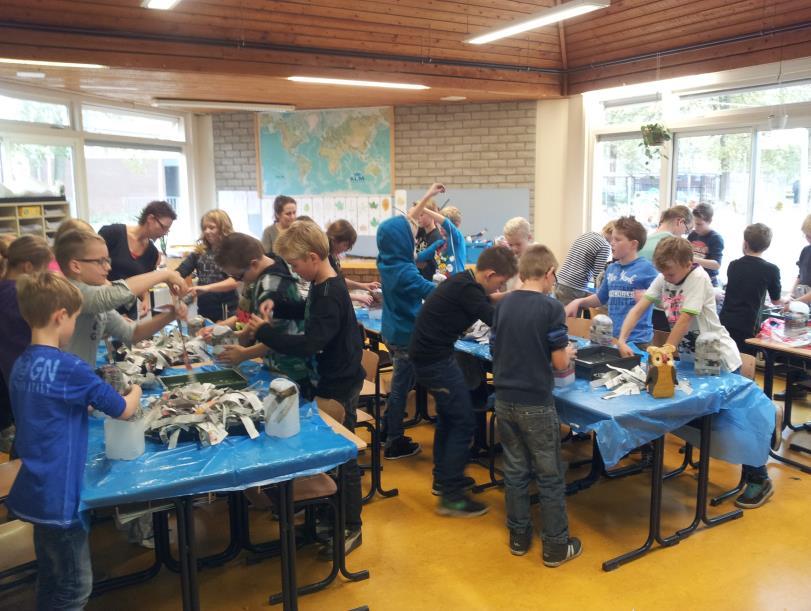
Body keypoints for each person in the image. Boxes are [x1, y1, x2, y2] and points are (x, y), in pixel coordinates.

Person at [6, 271, 141, 610]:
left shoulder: (21, 364)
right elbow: (122, 410)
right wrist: (136, 391)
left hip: (35, 488)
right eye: (75, 319)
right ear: (60, 316)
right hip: (60, 494)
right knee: (76, 588)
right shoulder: (70, 368)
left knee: (51, 577)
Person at [618, 238, 772, 508]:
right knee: (696, 413)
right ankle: (710, 448)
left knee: (737, 422)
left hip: (717, 357)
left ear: (688, 264)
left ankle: (759, 477)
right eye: (664, 273)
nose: (667, 278)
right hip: (691, 358)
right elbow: (640, 308)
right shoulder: (666, 276)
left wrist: (666, 349)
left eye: (671, 273)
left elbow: (685, 320)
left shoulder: (698, 278)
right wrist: (621, 338)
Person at [244, 220, 366, 557]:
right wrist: (279, 307)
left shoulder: (329, 291)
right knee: (331, 453)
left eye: (296, 265)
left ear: (313, 257)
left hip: (338, 385)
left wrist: (265, 333)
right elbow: (309, 312)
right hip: (332, 380)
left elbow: (311, 342)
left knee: (343, 456)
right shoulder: (324, 285)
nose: (294, 271)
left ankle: (350, 526)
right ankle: (329, 515)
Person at [409, 245, 518, 517]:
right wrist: (524, 312)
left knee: (449, 417)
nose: (499, 287)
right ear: (490, 274)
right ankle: (452, 496)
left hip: (431, 356)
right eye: (500, 282)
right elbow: (494, 318)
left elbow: (486, 300)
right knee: (463, 421)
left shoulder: (464, 282)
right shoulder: (467, 290)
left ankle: (445, 479)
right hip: (433, 360)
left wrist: (512, 296)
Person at [491, 244, 582, 566]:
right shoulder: (551, 307)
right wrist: (567, 354)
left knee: (515, 470)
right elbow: (559, 363)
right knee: (549, 474)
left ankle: (519, 536)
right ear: (548, 274)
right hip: (535, 402)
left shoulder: (503, 304)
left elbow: (495, 349)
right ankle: (557, 546)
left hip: (504, 400)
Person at [375, 183, 445, 460]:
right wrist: (460, 290)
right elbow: (430, 291)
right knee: (400, 392)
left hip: (391, 332)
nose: (414, 231)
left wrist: (427, 196)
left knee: (398, 388)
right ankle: (393, 440)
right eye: (410, 234)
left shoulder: (387, 261)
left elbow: (409, 232)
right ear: (403, 242)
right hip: (406, 336)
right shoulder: (405, 271)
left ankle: (385, 430)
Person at [55, 229, 188, 366]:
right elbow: (114, 294)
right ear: (76, 266)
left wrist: (171, 315)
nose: (108, 267)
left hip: (81, 378)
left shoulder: (96, 298)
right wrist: (164, 275)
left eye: (108, 260)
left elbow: (131, 334)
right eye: (101, 261)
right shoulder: (71, 292)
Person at [214, 233, 315, 397]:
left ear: (253, 264)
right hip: (278, 365)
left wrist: (244, 354)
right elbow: (259, 322)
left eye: (239, 276)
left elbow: (278, 336)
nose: (240, 281)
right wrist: (239, 335)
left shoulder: (270, 290)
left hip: (290, 370)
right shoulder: (272, 260)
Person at [564, 217, 658, 348]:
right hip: (614, 339)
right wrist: (578, 302)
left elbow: (665, 299)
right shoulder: (612, 268)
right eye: (612, 239)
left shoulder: (648, 269)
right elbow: (600, 298)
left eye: (618, 240)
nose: (612, 243)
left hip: (638, 341)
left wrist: (648, 297)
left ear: (633, 244)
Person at [0, 235, 52, 454]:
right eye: (44, 269)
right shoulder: (18, 295)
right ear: (28, 266)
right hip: (24, 379)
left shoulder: (5, 289)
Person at [99, 200, 176, 319]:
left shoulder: (152, 253)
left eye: (167, 230)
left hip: (129, 313)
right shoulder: (112, 234)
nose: (165, 233)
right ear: (150, 219)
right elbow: (93, 272)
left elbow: (143, 282)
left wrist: (145, 298)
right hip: (102, 309)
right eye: (163, 227)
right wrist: (114, 315)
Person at [719, 223, 782, 355]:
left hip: (726, 321)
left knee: (725, 360)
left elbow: (742, 288)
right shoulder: (771, 270)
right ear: (767, 246)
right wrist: (787, 300)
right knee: (744, 361)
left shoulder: (733, 265)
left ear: (745, 243)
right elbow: (776, 301)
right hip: (748, 324)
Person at [638, 205, 693, 331]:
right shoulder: (677, 246)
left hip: (641, 307)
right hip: (663, 310)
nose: (684, 235)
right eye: (687, 231)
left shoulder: (641, 242)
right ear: (680, 221)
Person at [177, 210, 239, 322]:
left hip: (227, 311)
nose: (207, 231)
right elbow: (180, 272)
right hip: (204, 311)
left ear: (223, 227)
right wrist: (176, 284)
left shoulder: (232, 252)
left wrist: (206, 288)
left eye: (211, 227)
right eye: (204, 228)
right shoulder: (199, 253)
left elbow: (234, 281)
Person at [326, 219, 381, 306]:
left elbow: (338, 281)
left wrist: (363, 285)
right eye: (344, 245)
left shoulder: (334, 257)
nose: (345, 249)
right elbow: (330, 290)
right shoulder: (325, 259)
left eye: (348, 246)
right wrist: (356, 297)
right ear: (333, 241)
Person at [554, 225, 611, 308]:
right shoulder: (604, 245)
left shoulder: (587, 235)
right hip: (573, 287)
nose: (614, 243)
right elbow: (598, 276)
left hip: (560, 281)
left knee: (560, 317)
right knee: (571, 320)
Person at [417, 205, 467, 278]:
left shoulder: (457, 239)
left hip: (457, 284)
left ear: (455, 225)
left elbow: (446, 223)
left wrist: (424, 209)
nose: (440, 226)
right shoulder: (439, 244)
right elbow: (419, 257)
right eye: (439, 224)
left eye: (442, 224)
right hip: (442, 285)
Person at [687, 203, 724, 287]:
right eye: (694, 223)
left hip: (709, 280)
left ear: (710, 221)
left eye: (699, 224)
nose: (695, 227)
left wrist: (692, 259)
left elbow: (716, 265)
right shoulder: (692, 235)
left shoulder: (716, 238)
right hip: (693, 278)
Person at [501, 217, 533, 290]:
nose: (514, 249)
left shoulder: (538, 256)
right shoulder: (509, 259)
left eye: (518, 244)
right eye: (510, 245)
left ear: (529, 238)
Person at [414, 199, 442, 280]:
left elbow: (424, 264)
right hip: (419, 279)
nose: (418, 218)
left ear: (431, 215)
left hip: (429, 280)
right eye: (417, 215)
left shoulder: (436, 237)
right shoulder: (420, 232)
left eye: (421, 215)